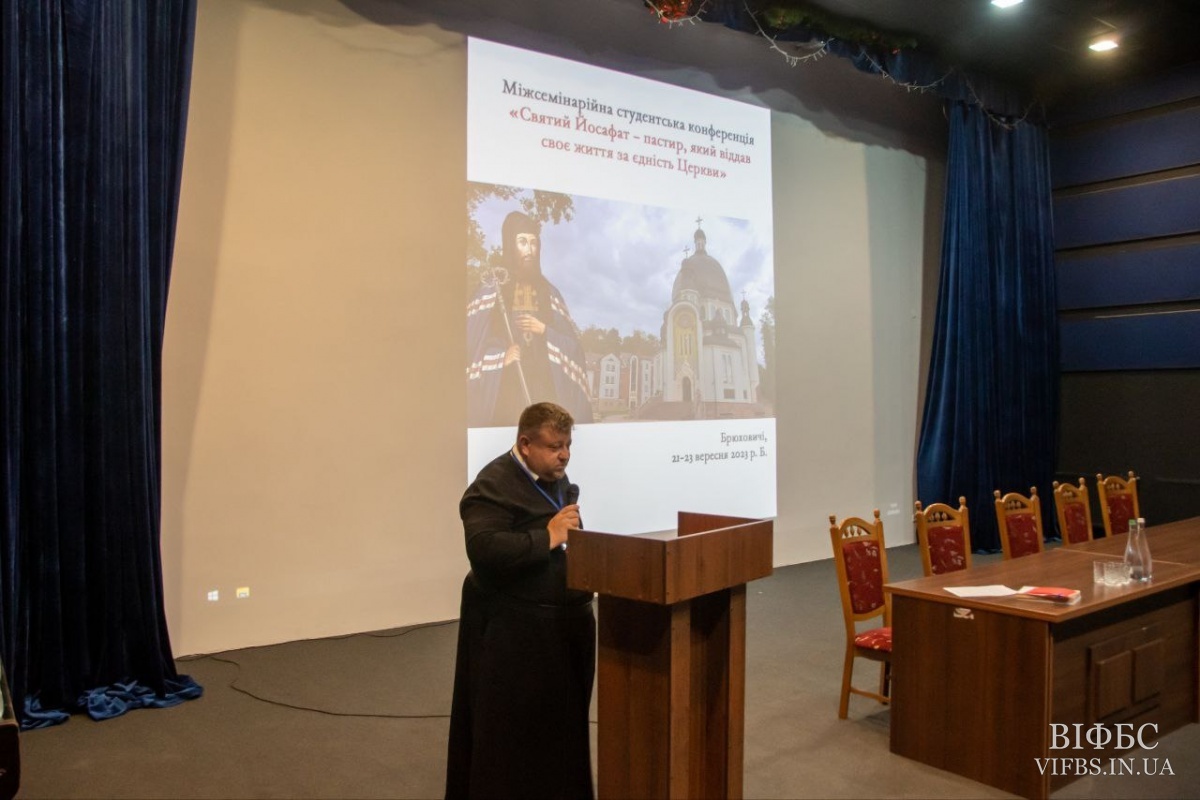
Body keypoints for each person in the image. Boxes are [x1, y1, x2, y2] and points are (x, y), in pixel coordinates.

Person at [445, 402, 595, 800]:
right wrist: (548, 537)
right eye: (554, 446)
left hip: (563, 632)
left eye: (567, 445)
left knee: (558, 732)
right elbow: (483, 549)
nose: (564, 455)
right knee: (513, 737)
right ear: (525, 444)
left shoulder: (556, 478)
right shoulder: (491, 485)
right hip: (517, 637)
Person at [467, 211, 594, 427]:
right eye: (523, 242)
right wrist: (501, 357)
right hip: (504, 394)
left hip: (542, 392)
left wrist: (544, 330)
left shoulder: (550, 293)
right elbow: (470, 347)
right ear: (511, 244)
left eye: (534, 243)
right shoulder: (493, 288)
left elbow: (574, 349)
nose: (529, 250)